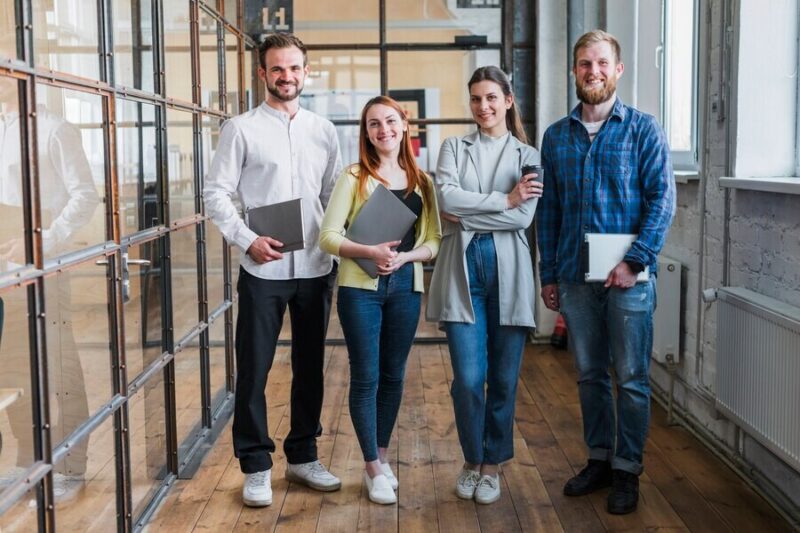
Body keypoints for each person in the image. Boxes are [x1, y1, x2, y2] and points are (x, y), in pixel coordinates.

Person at [537, 30, 676, 515]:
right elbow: (549, 209)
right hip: (575, 277)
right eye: (583, 64)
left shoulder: (643, 129)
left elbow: (662, 200)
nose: (592, 71)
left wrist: (634, 260)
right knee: (590, 374)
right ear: (574, 71)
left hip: (631, 278)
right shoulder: (556, 136)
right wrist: (548, 274)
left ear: (618, 70)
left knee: (633, 377)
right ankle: (598, 459)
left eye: (601, 63)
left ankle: (627, 470)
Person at [203, 33, 343, 508]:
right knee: (255, 370)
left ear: (306, 71)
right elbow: (216, 193)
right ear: (262, 73)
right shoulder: (240, 129)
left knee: (310, 368)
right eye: (277, 69)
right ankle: (256, 465)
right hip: (264, 269)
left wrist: (344, 246)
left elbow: (332, 198)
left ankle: (303, 456)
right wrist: (248, 239)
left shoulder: (324, 130)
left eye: (295, 68)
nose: (287, 77)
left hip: (316, 268)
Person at [426, 66, 542, 505]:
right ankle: (472, 458)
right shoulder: (453, 146)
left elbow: (523, 218)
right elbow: (445, 201)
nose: (483, 106)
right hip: (463, 272)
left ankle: (492, 466)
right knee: (469, 380)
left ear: (508, 100)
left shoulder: (528, 155)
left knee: (505, 380)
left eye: (491, 97)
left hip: (509, 274)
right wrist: (505, 200)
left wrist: (477, 213)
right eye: (476, 99)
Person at [319, 96, 441, 505]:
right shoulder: (354, 176)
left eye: (390, 121)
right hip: (361, 292)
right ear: (366, 133)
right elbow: (328, 236)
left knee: (393, 376)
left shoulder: (422, 180)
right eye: (374, 124)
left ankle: (383, 458)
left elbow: (434, 241)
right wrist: (371, 252)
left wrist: (405, 256)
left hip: (406, 288)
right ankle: (371, 467)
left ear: (404, 125)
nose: (383, 130)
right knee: (366, 377)